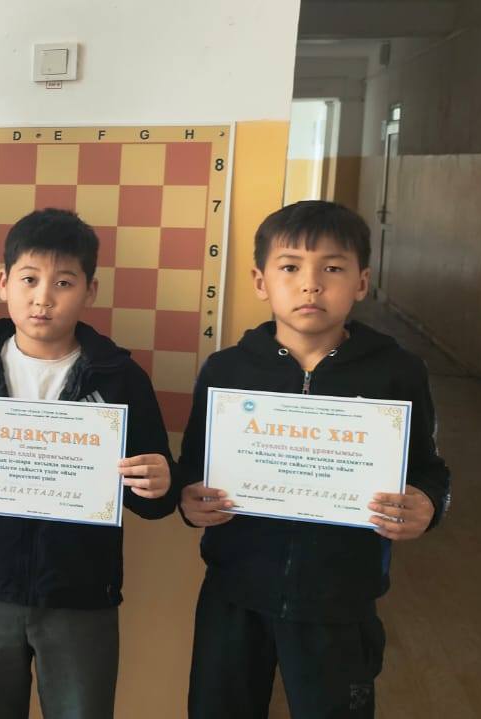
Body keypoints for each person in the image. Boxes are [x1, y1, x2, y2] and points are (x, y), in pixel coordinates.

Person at [176, 200, 452, 718]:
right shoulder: (226, 372)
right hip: (234, 589)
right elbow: (194, 468)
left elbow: (429, 470)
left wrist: (430, 504)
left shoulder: (396, 373)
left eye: (332, 268)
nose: (311, 285)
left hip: (341, 597)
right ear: (260, 281)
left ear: (362, 282)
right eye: (290, 267)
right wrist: (188, 500)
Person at [0, 209, 177, 719]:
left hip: (82, 594)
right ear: (4, 283)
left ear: (90, 291)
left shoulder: (121, 379)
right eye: (29, 279)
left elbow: (155, 500)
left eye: (64, 283)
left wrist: (162, 482)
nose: (43, 298)